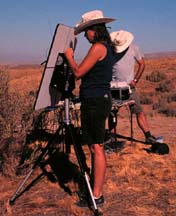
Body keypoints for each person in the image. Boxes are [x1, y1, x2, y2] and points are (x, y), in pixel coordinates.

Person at [64, 10, 116, 207]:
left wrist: (70, 55)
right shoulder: (107, 47)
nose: (85, 35)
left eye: (86, 30)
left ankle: (96, 195)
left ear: (94, 30)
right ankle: (96, 189)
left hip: (94, 101)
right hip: (98, 99)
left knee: (96, 147)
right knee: (97, 146)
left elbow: (78, 72)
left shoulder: (97, 47)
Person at [110, 30, 156, 144]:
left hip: (130, 88)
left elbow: (142, 64)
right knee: (112, 113)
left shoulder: (134, 48)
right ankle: (111, 136)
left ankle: (148, 136)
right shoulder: (110, 50)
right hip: (114, 87)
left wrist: (135, 80)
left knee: (138, 111)